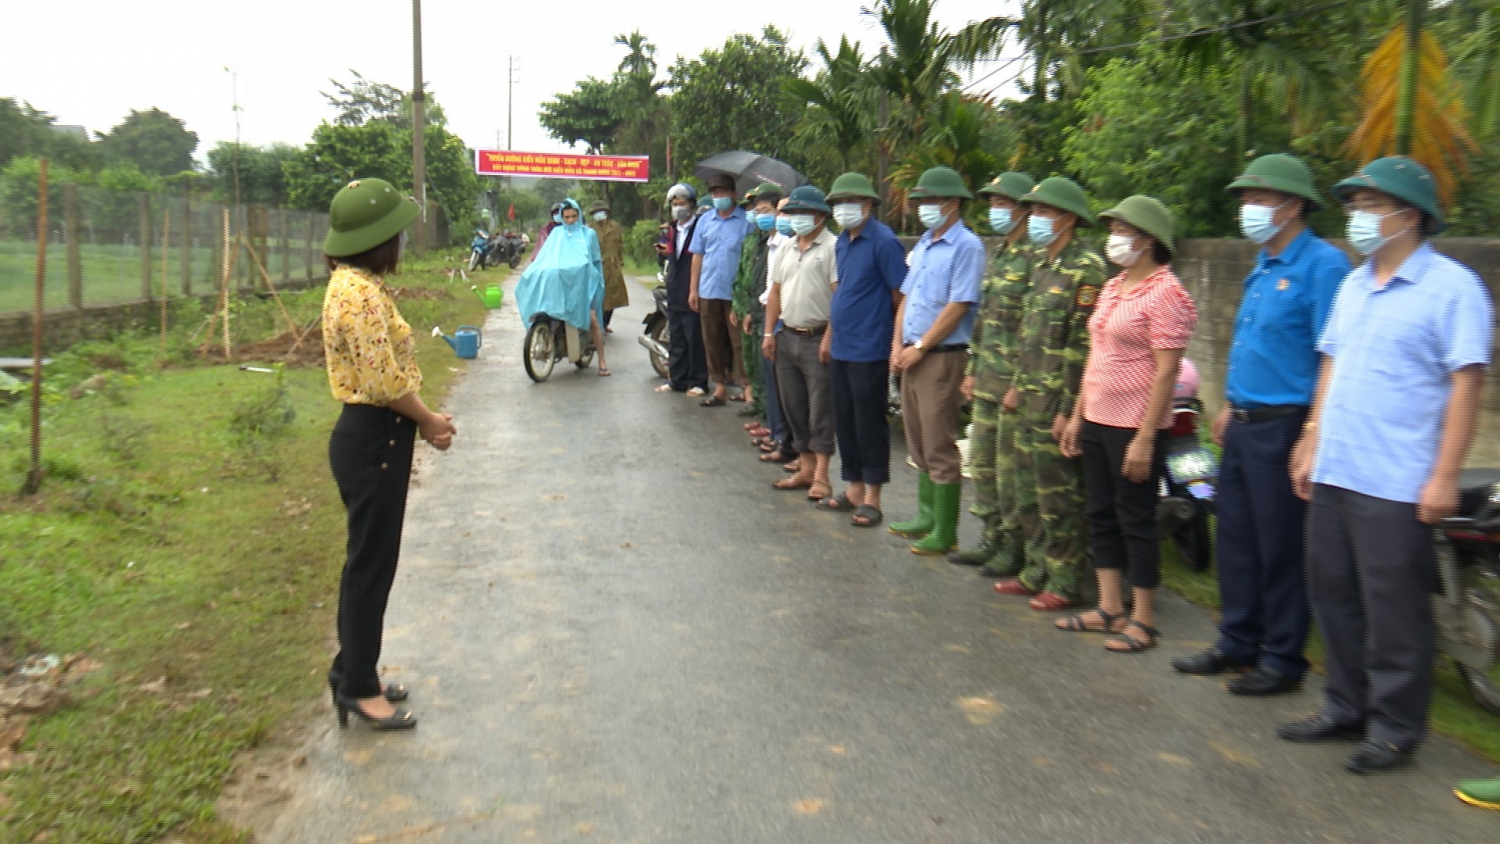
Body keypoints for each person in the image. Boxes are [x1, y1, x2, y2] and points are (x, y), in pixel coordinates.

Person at [1282, 156, 1492, 774]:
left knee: (1394, 609)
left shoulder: (1452, 288)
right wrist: (1311, 437)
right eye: (1355, 206)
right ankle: (1346, 705)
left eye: (1372, 206)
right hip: (1337, 470)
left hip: (1397, 481)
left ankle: (1397, 727)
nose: (1359, 217)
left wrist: (1445, 475)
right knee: (1335, 595)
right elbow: (1331, 365)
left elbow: (1466, 385)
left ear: (1410, 215)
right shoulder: (1353, 284)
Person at [1171, 154, 1351, 692]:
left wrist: (1314, 432)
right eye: (1245, 199)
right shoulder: (1263, 264)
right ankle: (1237, 640)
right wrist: (1229, 402)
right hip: (1246, 421)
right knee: (1236, 537)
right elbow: (1255, 345)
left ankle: (1283, 658)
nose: (1247, 209)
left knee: (1280, 544)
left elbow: (1331, 356)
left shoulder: (1323, 266)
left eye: (1259, 198)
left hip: (1287, 424)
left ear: (1294, 205)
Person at [319, 178, 456, 730]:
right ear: (380, 239)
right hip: (375, 436)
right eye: (396, 232)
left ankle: (353, 668)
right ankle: (357, 687)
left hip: (373, 435)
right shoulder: (361, 294)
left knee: (367, 562)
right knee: (371, 566)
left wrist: (420, 420)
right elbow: (381, 381)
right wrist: (427, 421)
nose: (402, 241)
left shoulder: (349, 283)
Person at [1057, 195, 1197, 651]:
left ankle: (1144, 619)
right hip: (1097, 416)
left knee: (1135, 517)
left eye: (1122, 229)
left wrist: (1143, 437)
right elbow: (1096, 355)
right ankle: (1109, 606)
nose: (1114, 238)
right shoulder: (1114, 286)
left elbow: (1167, 371)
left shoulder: (1167, 293)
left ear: (1148, 239)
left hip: (1135, 423)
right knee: (1099, 513)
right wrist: (1078, 415)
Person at [993, 177, 1105, 610]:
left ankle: (1065, 578)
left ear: (1069, 218)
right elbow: (1028, 335)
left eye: (1044, 211)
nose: (1035, 218)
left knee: (1057, 495)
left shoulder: (1087, 269)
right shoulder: (1041, 265)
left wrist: (1066, 408)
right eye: (1033, 210)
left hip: (1056, 403)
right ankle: (1035, 569)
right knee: (1026, 490)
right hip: (1028, 397)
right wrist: (1017, 387)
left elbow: (1082, 346)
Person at [888, 167, 983, 555]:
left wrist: (922, 346)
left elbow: (959, 305)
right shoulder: (926, 243)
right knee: (917, 438)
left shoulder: (967, 246)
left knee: (939, 440)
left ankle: (946, 530)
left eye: (933, 201)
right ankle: (926, 515)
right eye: (922, 201)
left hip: (940, 357)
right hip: (910, 353)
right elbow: (906, 298)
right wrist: (896, 345)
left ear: (954, 202)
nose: (925, 208)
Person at [949, 172, 1035, 571]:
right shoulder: (1000, 251)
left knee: (1010, 471)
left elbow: (1035, 332)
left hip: (1017, 385)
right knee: (981, 464)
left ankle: (1015, 546)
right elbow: (985, 321)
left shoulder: (1037, 256)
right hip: (987, 378)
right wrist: (972, 368)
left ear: (1023, 209)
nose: (997, 209)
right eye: (994, 202)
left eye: (1004, 203)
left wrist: (1019, 383)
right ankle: (991, 535)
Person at [822, 172, 907, 527]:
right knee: (845, 420)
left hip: (870, 348)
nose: (844, 209)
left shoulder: (884, 242)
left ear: (870, 204)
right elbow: (842, 292)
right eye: (839, 202)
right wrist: (829, 335)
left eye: (851, 201)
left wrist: (894, 343)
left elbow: (900, 295)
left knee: (869, 421)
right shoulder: (842, 242)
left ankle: (873, 496)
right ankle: (854, 487)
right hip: (842, 345)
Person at [763, 185, 838, 501]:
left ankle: (822, 474)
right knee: (793, 404)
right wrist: (769, 333)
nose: (795, 219)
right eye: (792, 213)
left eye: (802, 213)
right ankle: (805, 468)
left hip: (816, 336)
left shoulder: (832, 247)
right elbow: (776, 292)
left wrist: (830, 338)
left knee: (820, 407)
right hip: (787, 334)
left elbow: (839, 297)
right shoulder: (786, 248)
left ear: (820, 215)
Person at [513, 198, 610, 376]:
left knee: (593, 320)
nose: (570, 221)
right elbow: (546, 258)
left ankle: (602, 360)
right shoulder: (557, 234)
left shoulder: (589, 235)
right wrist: (535, 271)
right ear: (561, 217)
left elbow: (595, 261)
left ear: (579, 215)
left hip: (583, 286)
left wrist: (589, 275)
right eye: (566, 217)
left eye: (574, 216)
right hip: (560, 285)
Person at [690, 173, 754, 407]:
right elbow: (697, 255)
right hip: (708, 289)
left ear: (734, 194)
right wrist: (693, 289)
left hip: (735, 293)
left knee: (738, 342)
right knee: (712, 340)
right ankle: (718, 388)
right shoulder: (705, 221)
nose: (719, 197)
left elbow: (751, 258)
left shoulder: (747, 221)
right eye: (715, 193)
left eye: (723, 193)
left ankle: (747, 387)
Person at [732, 184, 785, 452]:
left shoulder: (781, 242)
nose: (758, 214)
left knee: (775, 377)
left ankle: (777, 429)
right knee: (761, 368)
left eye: (765, 210)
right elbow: (750, 280)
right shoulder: (761, 240)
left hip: (776, 317)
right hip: (758, 310)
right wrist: (748, 310)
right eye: (756, 209)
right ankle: (769, 421)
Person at [657, 184, 709, 395]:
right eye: (675, 204)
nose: (678, 208)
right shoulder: (671, 229)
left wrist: (694, 289)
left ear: (692, 205)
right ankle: (677, 380)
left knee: (694, 337)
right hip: (675, 289)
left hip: (694, 290)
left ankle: (698, 381)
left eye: (682, 204)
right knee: (676, 337)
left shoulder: (700, 227)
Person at [587, 200, 628, 332]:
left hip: (613, 267)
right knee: (598, 298)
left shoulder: (615, 226)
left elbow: (619, 245)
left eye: (601, 212)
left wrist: (620, 262)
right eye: (596, 213)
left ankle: (604, 324)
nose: (599, 215)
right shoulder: (589, 229)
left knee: (614, 299)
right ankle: (597, 324)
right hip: (597, 268)